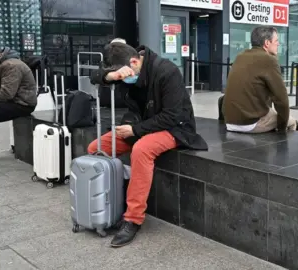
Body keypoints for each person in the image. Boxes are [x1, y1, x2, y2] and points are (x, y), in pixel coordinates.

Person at [88, 42, 208, 247]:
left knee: (142, 150)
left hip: (174, 128)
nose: (125, 80)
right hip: (141, 125)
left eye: (125, 76)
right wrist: (110, 77)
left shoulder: (167, 72)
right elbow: (95, 75)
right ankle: (111, 202)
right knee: (96, 149)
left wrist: (135, 130)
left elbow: (172, 116)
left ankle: (133, 219)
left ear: (134, 62)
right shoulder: (125, 62)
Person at [222, 26, 297, 133]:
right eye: (276, 41)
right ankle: (281, 147)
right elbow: (281, 100)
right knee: (291, 121)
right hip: (250, 123)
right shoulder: (269, 60)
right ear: (267, 43)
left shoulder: (240, 57)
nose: (278, 44)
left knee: (271, 112)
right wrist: (281, 128)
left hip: (230, 122)